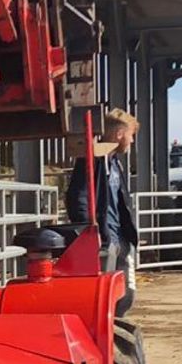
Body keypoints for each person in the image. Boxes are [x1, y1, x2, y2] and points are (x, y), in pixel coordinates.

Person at [67, 108, 140, 312]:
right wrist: (89, 230)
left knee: (126, 294)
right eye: (130, 135)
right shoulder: (92, 160)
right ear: (119, 134)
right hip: (104, 238)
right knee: (105, 295)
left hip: (120, 237)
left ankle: (115, 327)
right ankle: (108, 333)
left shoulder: (115, 163)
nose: (131, 141)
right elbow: (77, 196)